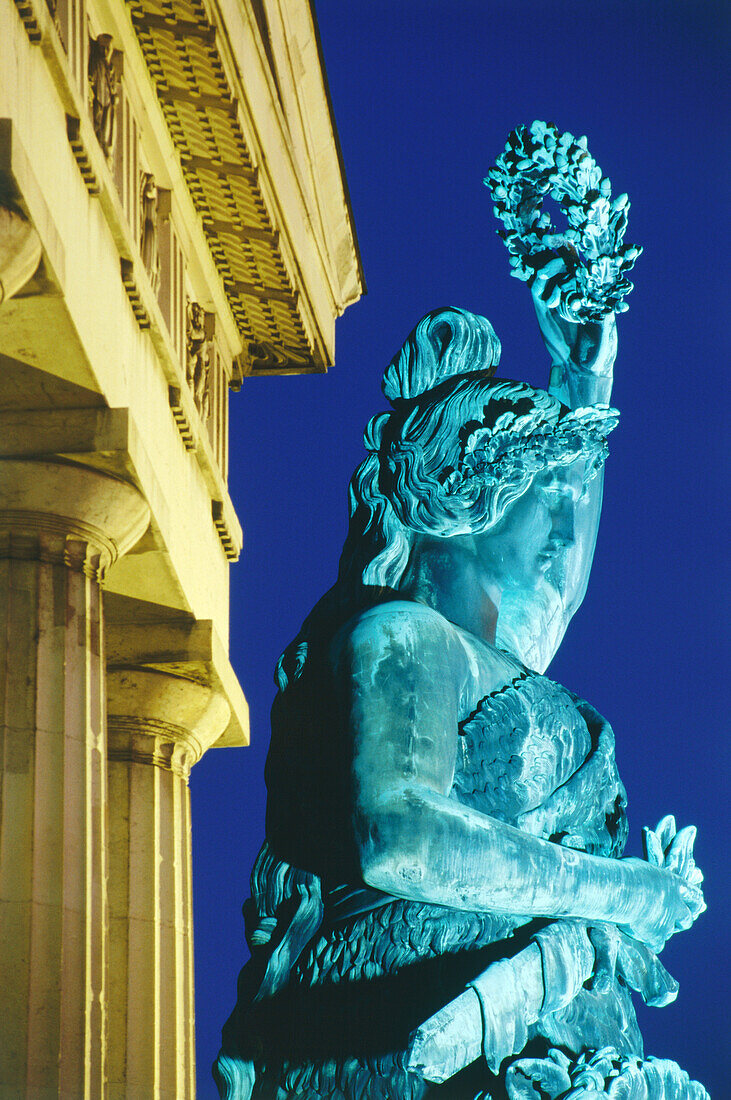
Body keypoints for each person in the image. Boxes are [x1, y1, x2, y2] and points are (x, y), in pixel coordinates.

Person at [215, 275, 706, 1099]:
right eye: (543, 496)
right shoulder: (399, 636)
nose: (562, 523)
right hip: (420, 1036)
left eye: (563, 498)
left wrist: (585, 369)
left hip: (549, 1043)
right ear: (473, 500)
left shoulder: (503, 658)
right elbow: (398, 833)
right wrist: (625, 891)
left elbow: (564, 579)